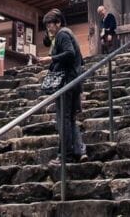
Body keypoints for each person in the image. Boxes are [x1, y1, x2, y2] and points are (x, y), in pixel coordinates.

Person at [38, 9, 86, 162]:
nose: (49, 29)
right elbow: (79, 59)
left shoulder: (62, 34)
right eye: (47, 26)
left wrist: (50, 59)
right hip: (74, 80)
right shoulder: (68, 33)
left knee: (63, 119)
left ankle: (65, 155)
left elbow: (70, 53)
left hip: (66, 82)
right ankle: (79, 151)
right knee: (70, 118)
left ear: (58, 23)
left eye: (50, 25)